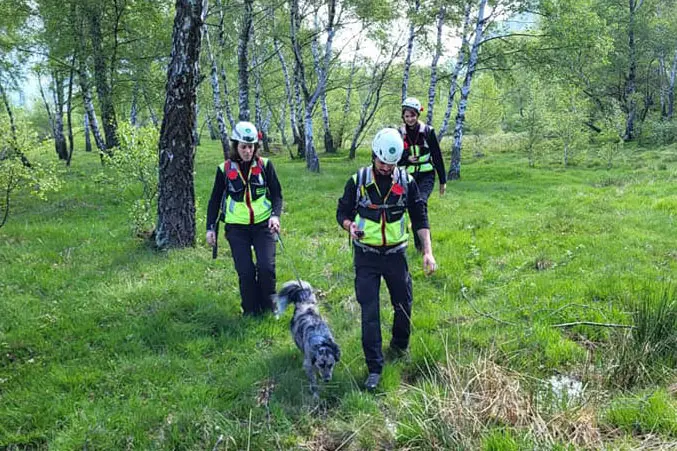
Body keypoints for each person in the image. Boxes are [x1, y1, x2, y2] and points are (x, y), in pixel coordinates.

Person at [336, 128, 437, 390]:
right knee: (370, 312)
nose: (386, 168)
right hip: (366, 256)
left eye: (391, 164)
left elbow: (420, 218)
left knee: (403, 304)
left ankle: (399, 346)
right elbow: (342, 212)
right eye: (382, 162)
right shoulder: (357, 180)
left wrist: (427, 251)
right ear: (373, 156)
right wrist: (349, 226)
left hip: (396, 255)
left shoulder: (406, 182)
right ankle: (375, 367)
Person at [206, 121, 283, 316]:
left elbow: (277, 194)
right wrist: (210, 228)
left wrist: (275, 216)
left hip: (263, 225)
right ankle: (250, 310)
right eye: (243, 147)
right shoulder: (223, 169)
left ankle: (268, 307)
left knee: (266, 268)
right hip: (236, 228)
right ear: (236, 146)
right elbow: (214, 200)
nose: (248, 151)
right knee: (246, 272)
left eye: (251, 147)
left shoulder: (265, 165)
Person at [399, 97, 447, 251]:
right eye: (407, 116)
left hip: (427, 175)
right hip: (409, 177)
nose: (410, 119)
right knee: (415, 207)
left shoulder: (428, 132)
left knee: (420, 203)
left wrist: (442, 181)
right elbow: (395, 158)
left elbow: (437, 156)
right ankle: (422, 246)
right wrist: (406, 159)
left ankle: (424, 248)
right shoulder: (399, 133)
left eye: (412, 115)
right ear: (403, 117)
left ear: (418, 115)